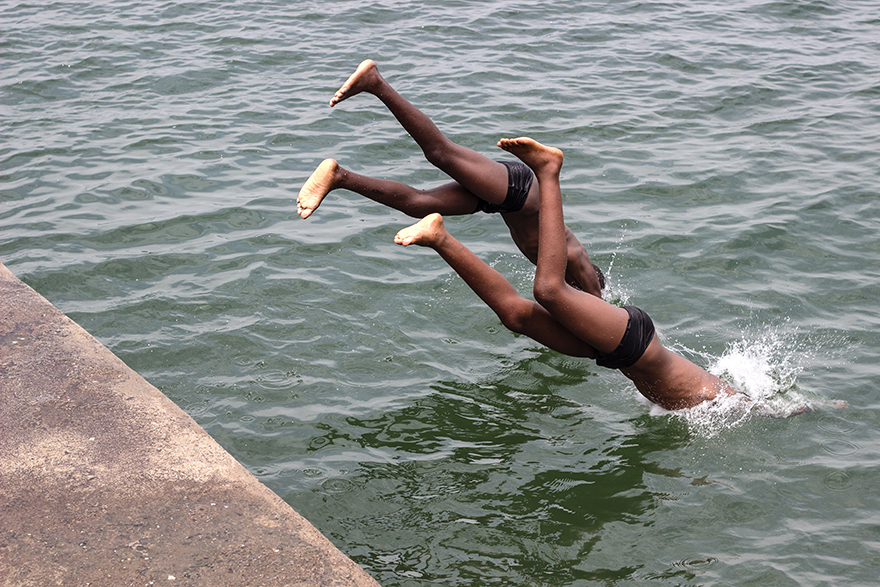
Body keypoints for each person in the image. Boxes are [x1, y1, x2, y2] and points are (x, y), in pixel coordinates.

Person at [394, 137, 738, 411]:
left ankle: (439, 237)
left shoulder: (703, 400)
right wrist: (778, 410)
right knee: (549, 290)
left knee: (517, 316)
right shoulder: (727, 403)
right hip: (634, 345)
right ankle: (548, 170)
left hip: (612, 355)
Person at [297, 59, 603, 296]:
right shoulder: (578, 267)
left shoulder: (561, 274)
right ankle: (375, 82)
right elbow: (594, 300)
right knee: (440, 154)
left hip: (505, 203)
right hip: (522, 193)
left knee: (418, 205)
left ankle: (339, 177)